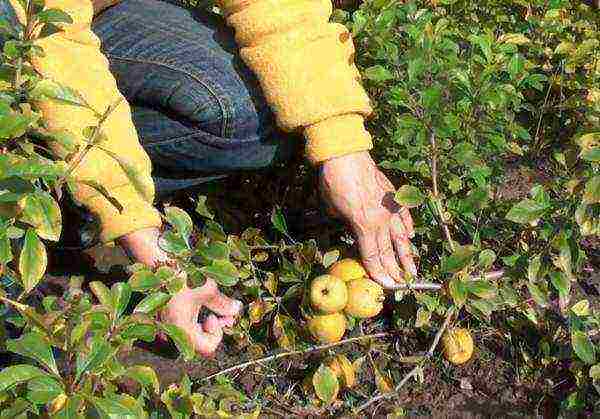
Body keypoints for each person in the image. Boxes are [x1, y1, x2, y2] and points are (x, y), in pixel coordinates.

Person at [4, 0, 417, 356]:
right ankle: (39, 190)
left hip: (97, 13)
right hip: (29, 24)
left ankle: (62, 195)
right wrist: (137, 232)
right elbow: (51, 45)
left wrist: (342, 146)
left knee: (254, 118)